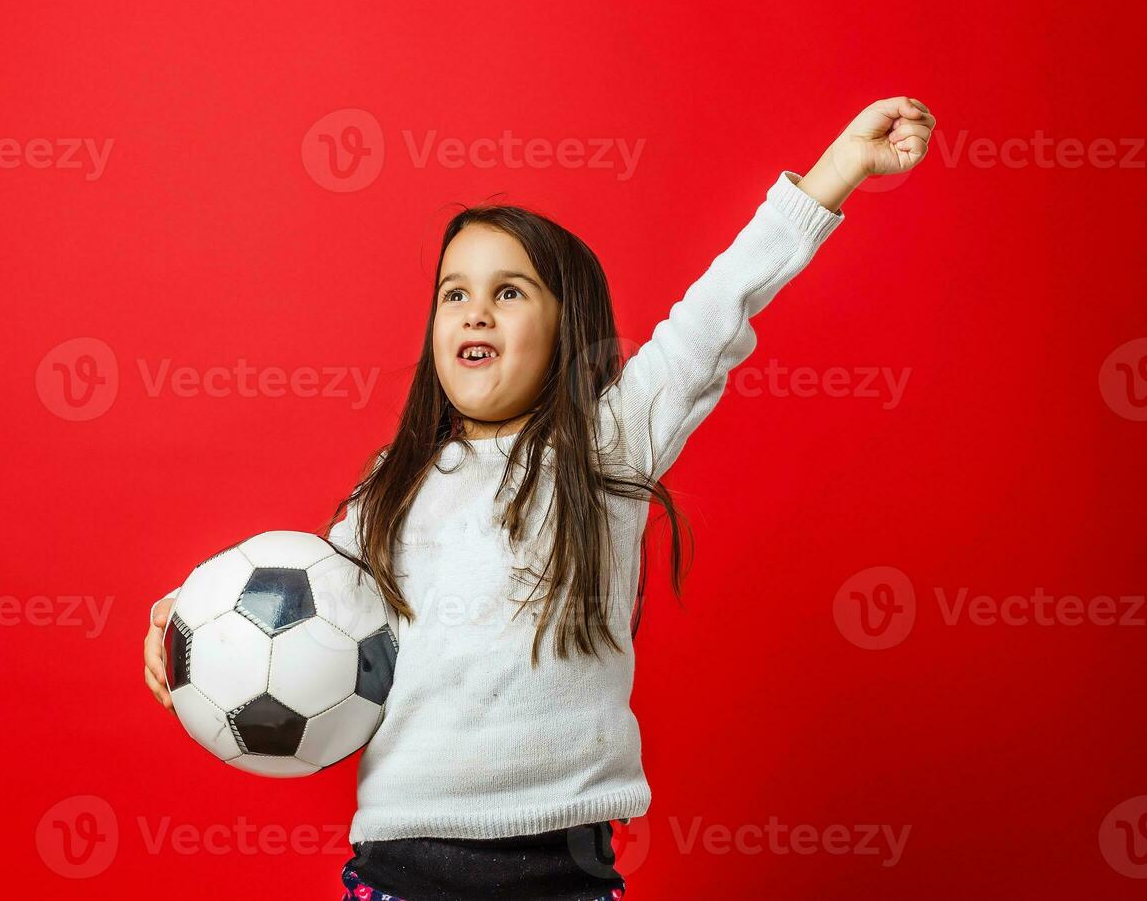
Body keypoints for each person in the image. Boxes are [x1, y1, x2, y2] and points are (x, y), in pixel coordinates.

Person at [144, 97, 937, 899]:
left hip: (564, 868)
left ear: (567, 328)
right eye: (453, 294)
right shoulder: (391, 485)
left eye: (510, 292)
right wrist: (188, 616)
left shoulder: (606, 445)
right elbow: (302, 601)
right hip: (401, 866)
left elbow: (714, 314)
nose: (475, 310)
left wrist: (837, 172)